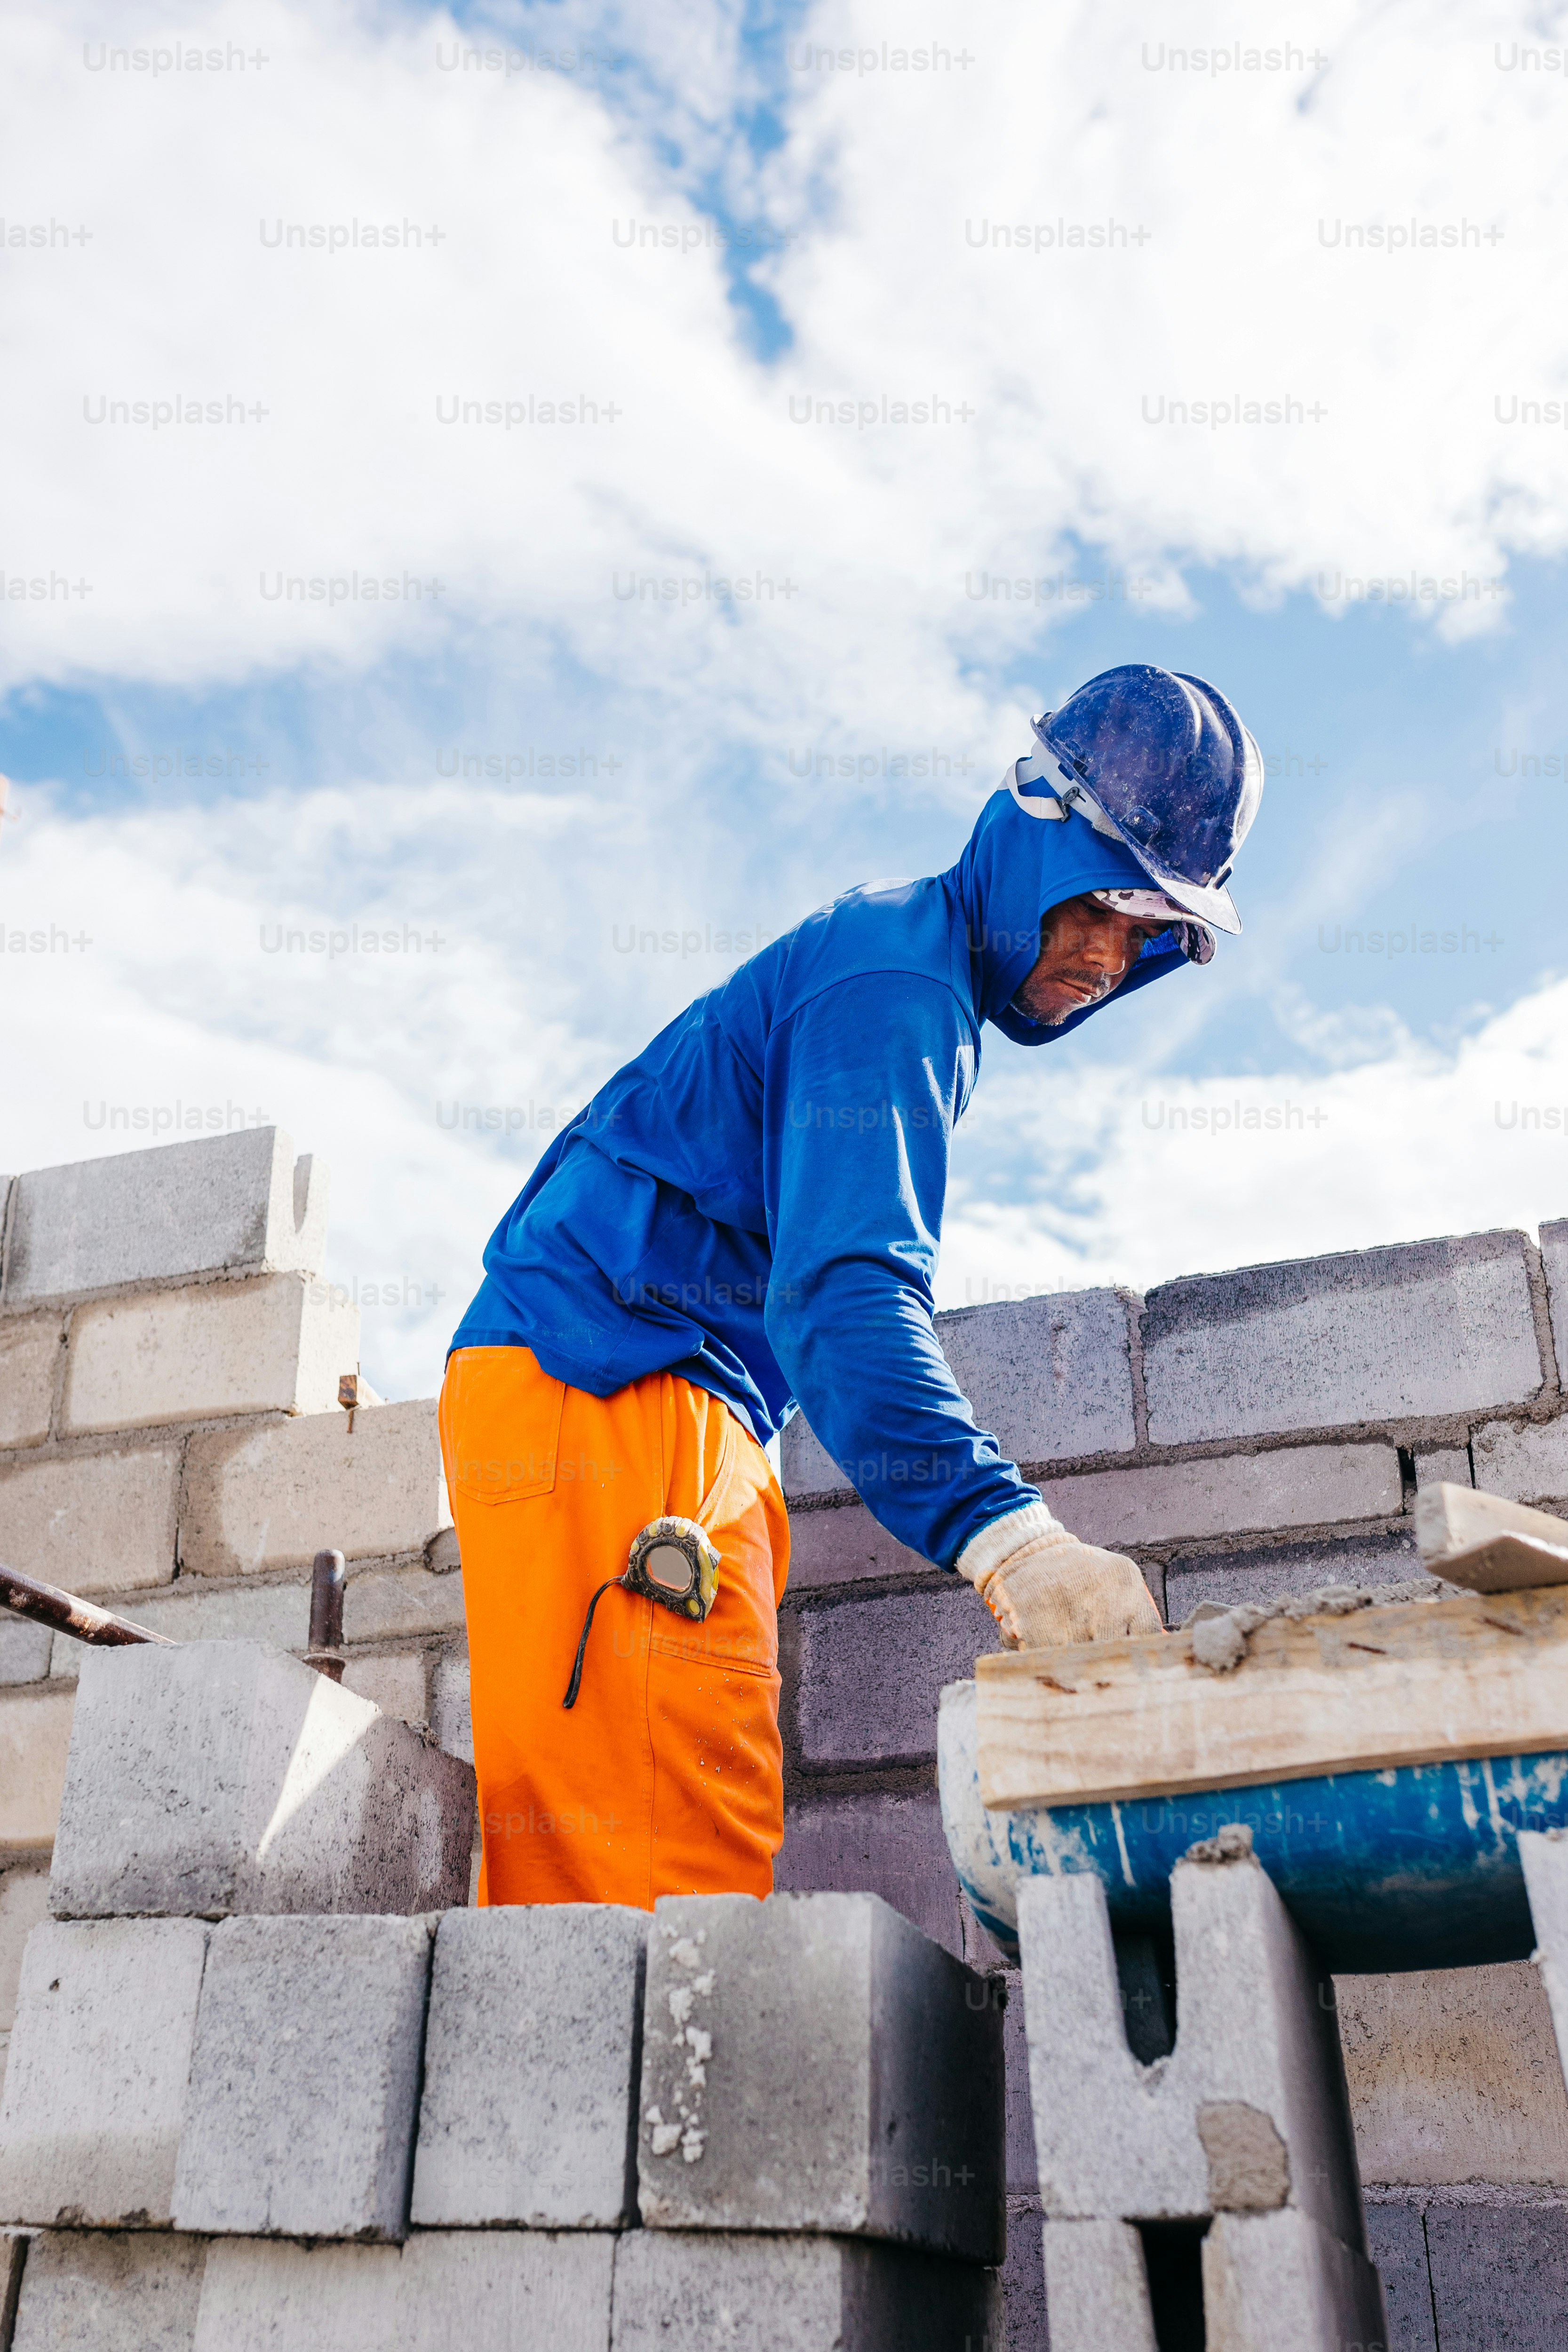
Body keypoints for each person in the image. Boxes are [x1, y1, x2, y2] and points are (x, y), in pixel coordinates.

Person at [440, 662, 1264, 1909]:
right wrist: (1013, 1542)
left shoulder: (905, 968)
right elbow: (842, 1303)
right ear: (1030, 825)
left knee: (639, 1887)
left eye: (1149, 931)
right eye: (1100, 903)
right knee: (656, 1901)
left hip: (633, 1403)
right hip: (613, 1394)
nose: (1107, 955)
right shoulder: (894, 981)